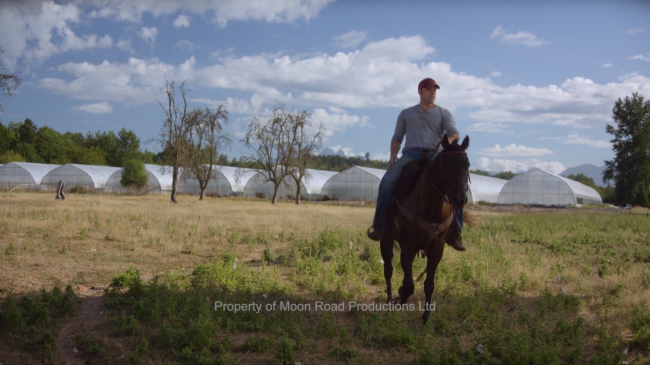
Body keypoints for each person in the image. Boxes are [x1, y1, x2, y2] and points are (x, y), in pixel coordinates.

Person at [367, 77, 466, 251]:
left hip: (436, 157)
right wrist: (393, 154)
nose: (432, 92)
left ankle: (455, 232)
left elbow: (454, 134)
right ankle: (380, 225)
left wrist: (446, 144)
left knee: (457, 187)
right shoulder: (406, 113)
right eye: (429, 89)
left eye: (435, 89)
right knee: (387, 182)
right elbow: (397, 137)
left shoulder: (444, 113)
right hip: (411, 155)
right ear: (420, 91)